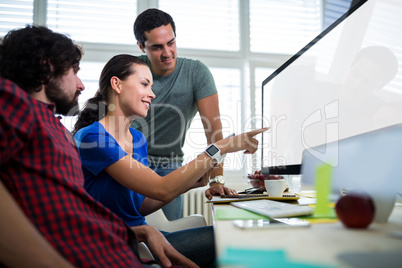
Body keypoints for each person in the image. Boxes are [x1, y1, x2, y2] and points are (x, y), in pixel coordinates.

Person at [0, 25, 197, 268]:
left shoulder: (56, 129)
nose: (82, 85)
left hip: (120, 244)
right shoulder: (15, 106)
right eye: (74, 71)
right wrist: (218, 149)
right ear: (45, 66)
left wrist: (138, 232)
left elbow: (79, 217)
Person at [73, 54, 267, 267]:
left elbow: (141, 205)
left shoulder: (137, 139)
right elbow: (161, 189)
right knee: (233, 237)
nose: (152, 94)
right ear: (117, 84)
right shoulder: (93, 137)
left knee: (229, 237)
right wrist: (222, 146)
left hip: (146, 237)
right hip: (118, 243)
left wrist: (193, 183)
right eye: (144, 84)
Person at [131, 8, 237, 220]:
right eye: (157, 47)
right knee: (130, 230)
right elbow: (105, 121)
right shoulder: (130, 70)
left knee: (170, 238)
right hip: (130, 161)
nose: (167, 53)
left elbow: (214, 133)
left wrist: (217, 180)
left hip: (169, 164)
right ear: (142, 47)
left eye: (171, 43)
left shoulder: (196, 73)